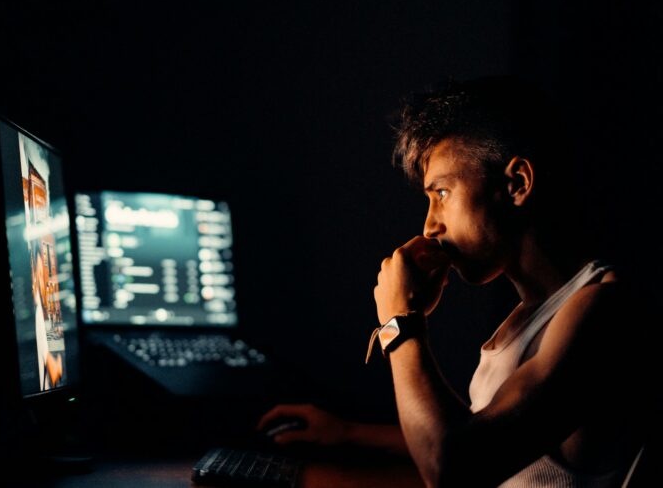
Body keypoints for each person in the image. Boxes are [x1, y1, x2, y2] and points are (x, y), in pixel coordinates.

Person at [258, 76, 655, 486]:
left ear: (517, 184)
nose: (429, 226)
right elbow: (487, 436)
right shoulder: (534, 314)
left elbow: (452, 466)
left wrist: (401, 323)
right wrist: (347, 433)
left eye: (442, 193)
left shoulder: (603, 309)